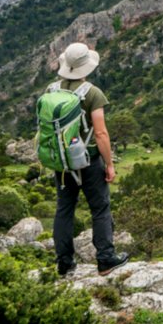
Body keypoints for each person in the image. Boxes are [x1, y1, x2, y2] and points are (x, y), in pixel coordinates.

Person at [51, 42, 129, 276]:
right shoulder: (92, 93)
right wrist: (110, 164)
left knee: (64, 209)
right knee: (100, 208)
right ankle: (105, 259)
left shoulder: (52, 90)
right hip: (88, 161)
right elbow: (101, 133)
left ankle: (64, 263)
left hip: (62, 162)